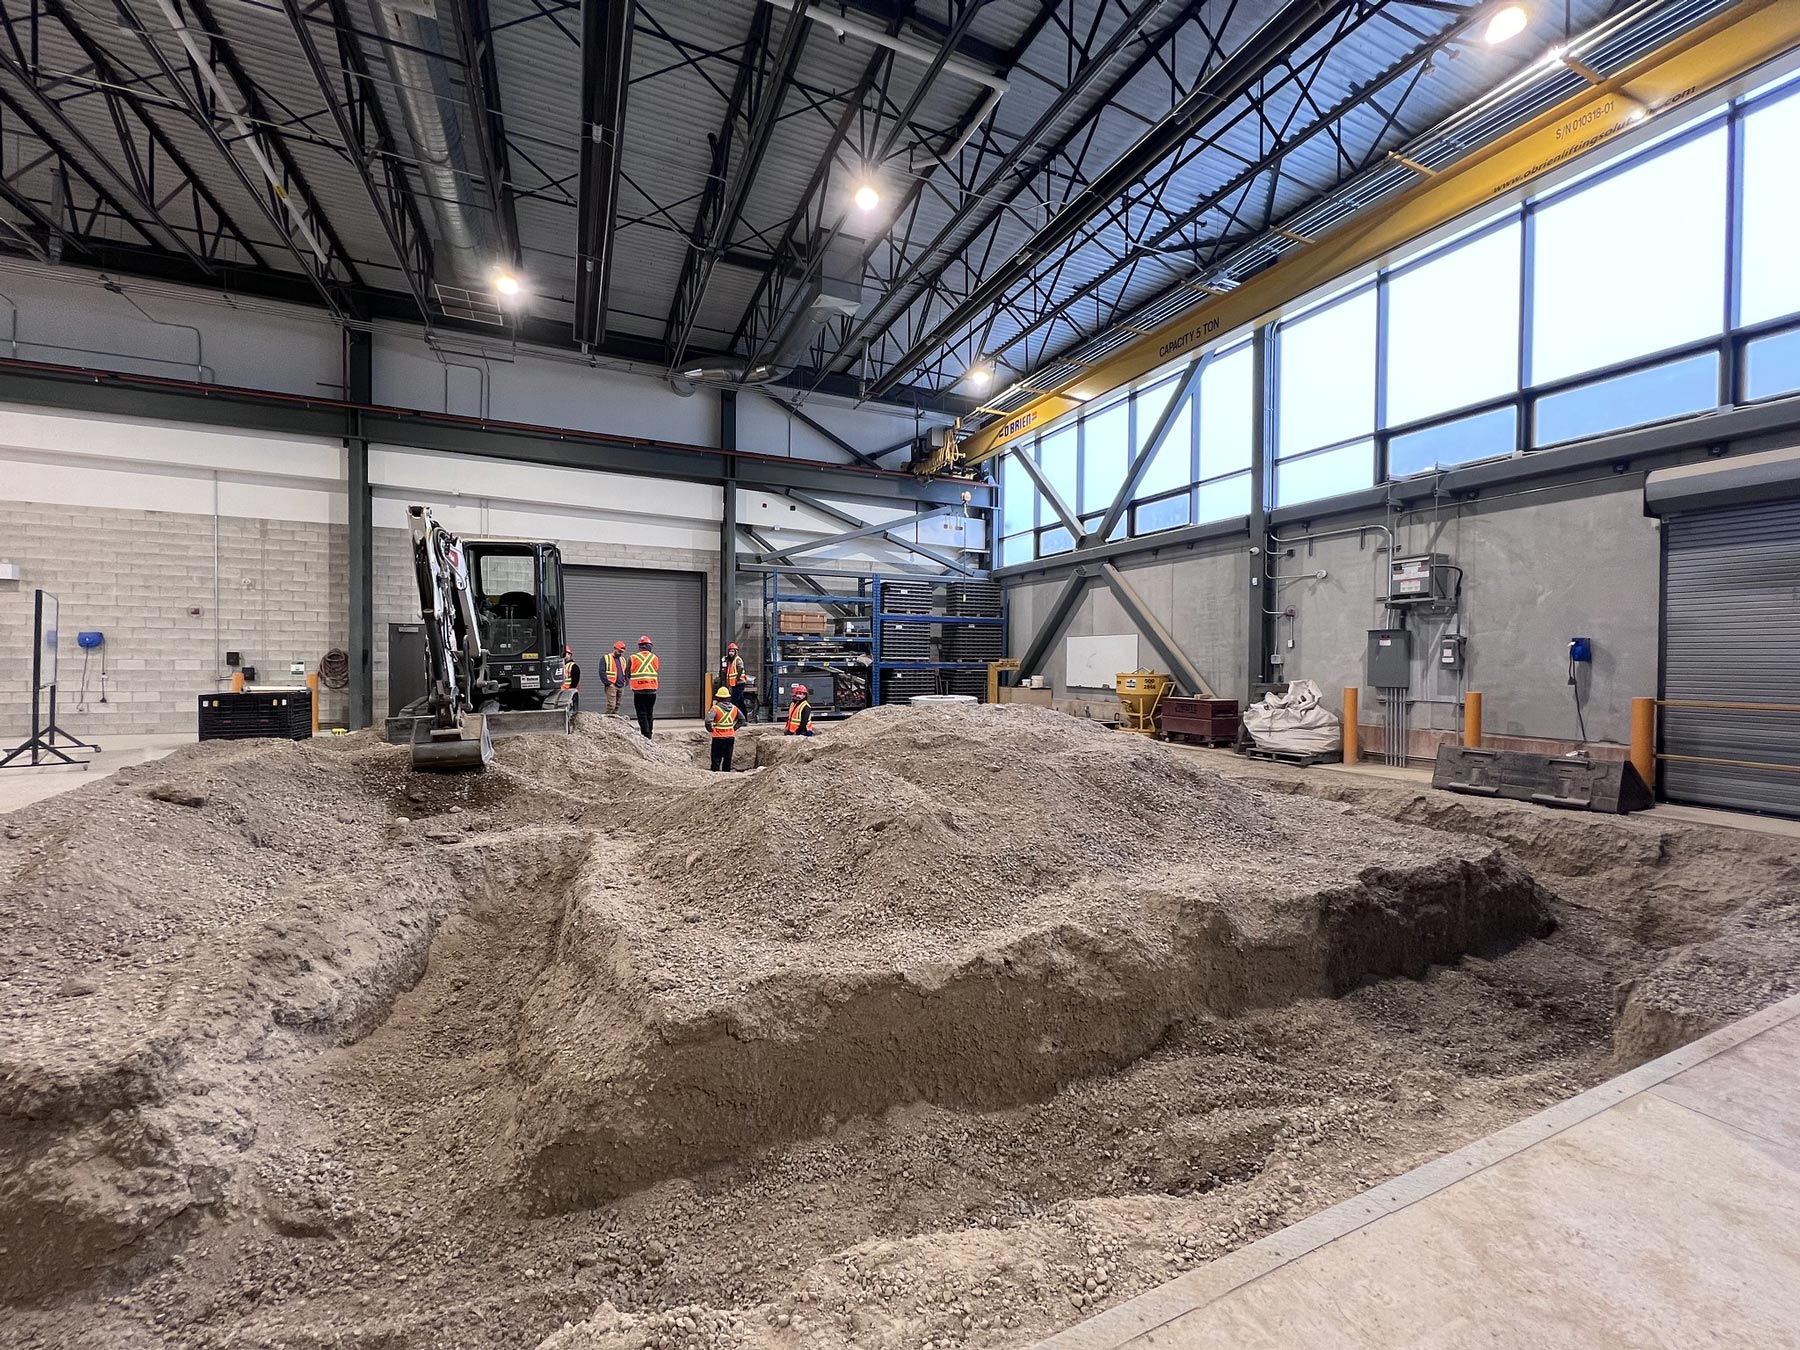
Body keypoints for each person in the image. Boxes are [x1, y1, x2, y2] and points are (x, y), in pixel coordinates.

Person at [627, 635, 659, 738]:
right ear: (649, 646)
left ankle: (646, 735)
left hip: (639, 691)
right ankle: (650, 733)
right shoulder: (655, 658)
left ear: (640, 646)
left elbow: (627, 673)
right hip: (652, 690)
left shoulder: (633, 658)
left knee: (641, 714)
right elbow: (656, 669)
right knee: (649, 713)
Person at [706, 684, 739, 771]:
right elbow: (742, 719)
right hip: (730, 737)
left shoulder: (715, 708)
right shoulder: (734, 708)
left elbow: (708, 721)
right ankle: (726, 776)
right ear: (728, 697)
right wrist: (733, 728)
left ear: (718, 698)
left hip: (718, 737)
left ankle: (715, 776)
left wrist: (711, 729)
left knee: (716, 759)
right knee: (727, 760)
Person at [718, 642, 748, 718]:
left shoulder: (738, 660)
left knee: (734, 701)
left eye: (732, 651)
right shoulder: (730, 660)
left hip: (739, 683)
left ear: (736, 652)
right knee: (741, 702)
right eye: (730, 651)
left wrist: (737, 679)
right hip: (734, 684)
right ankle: (744, 718)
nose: (731, 653)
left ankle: (732, 717)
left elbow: (740, 669)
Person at [602, 639, 627, 715]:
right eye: (619, 651)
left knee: (617, 706)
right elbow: (602, 672)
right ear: (615, 649)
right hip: (611, 685)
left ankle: (614, 722)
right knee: (611, 706)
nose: (620, 653)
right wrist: (608, 683)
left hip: (620, 685)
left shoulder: (622, 659)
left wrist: (625, 681)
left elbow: (625, 671)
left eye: (622, 652)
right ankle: (606, 720)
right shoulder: (606, 658)